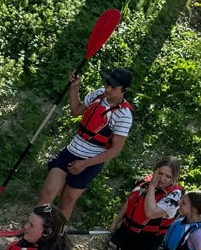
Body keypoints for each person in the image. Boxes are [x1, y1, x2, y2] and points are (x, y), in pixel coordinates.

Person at [39, 66, 133, 218]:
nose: (107, 88)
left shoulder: (124, 115)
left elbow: (115, 150)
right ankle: (31, 232)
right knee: (46, 194)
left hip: (90, 163)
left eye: (113, 86)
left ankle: (54, 238)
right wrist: (74, 87)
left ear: (124, 90)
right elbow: (75, 111)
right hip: (71, 151)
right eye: (107, 83)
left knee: (67, 201)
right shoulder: (98, 95)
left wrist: (85, 164)